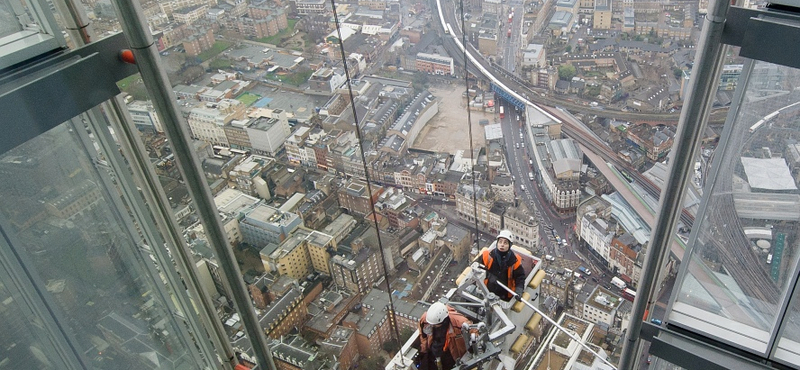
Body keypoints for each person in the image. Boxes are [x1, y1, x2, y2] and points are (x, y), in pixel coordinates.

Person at [417, 302, 472, 370]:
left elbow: (473, 330)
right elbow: (423, 335)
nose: (433, 326)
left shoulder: (458, 322)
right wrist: (424, 350)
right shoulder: (426, 320)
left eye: (435, 324)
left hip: (451, 353)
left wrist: (471, 348)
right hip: (433, 351)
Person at [476, 229, 525, 301]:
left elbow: (520, 277)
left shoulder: (515, 261)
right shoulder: (487, 255)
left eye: (505, 243)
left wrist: (519, 290)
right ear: (497, 243)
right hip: (487, 290)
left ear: (509, 245)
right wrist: (488, 275)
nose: (502, 244)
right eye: (500, 242)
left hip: (505, 294)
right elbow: (476, 267)